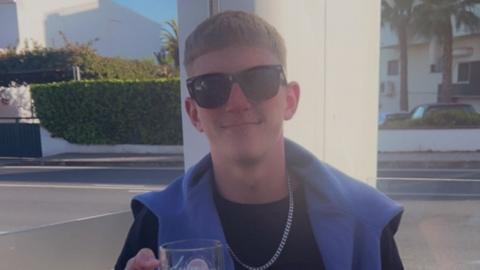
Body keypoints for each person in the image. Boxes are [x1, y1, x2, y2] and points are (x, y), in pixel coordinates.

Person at [115, 10, 404, 270]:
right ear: (194, 114)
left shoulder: (364, 223)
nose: (238, 102)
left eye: (259, 79)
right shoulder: (156, 224)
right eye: (211, 86)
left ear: (290, 100)